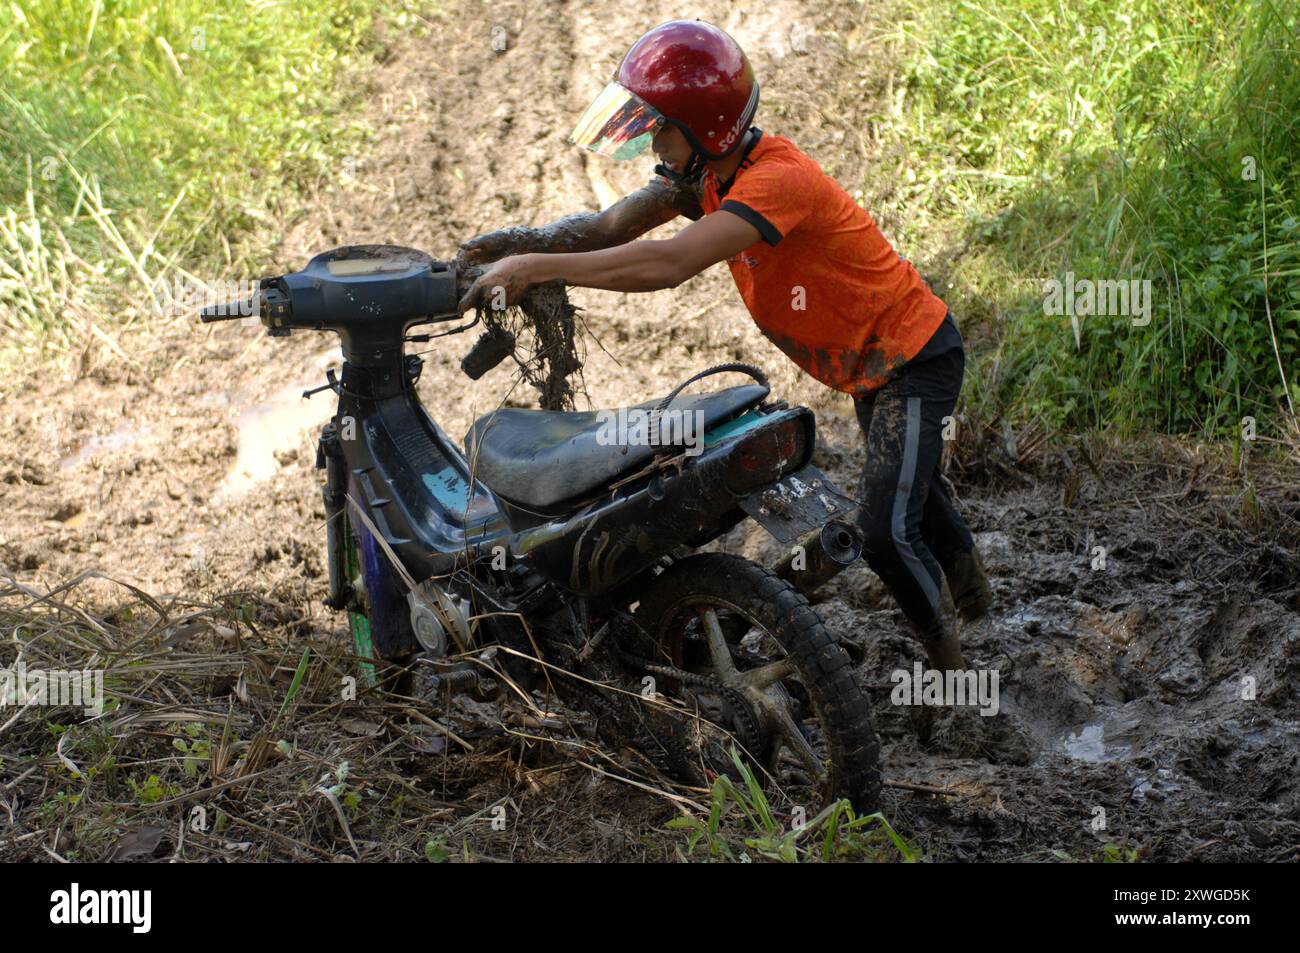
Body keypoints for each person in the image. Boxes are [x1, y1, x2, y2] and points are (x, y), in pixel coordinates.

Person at [457, 19, 992, 671]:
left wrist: (535, 270)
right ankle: (977, 600)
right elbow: (605, 227)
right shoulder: (706, 176)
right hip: (869, 365)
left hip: (915, 358)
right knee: (916, 491)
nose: (653, 142)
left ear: (704, 127)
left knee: (883, 530)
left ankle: (954, 667)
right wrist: (514, 246)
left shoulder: (774, 182)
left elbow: (666, 264)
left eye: (661, 127)